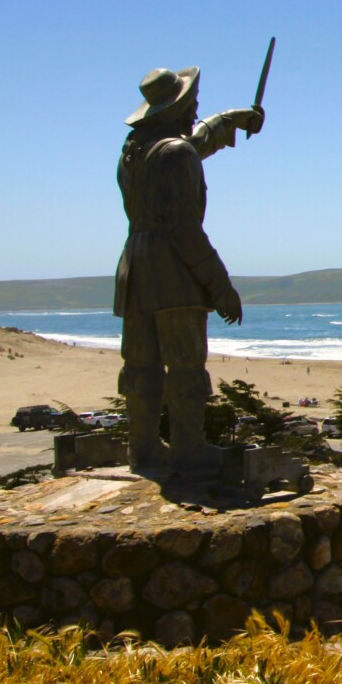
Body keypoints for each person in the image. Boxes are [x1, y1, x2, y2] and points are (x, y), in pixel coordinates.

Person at [114, 66, 264, 474]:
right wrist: (220, 286)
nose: (194, 112)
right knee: (185, 365)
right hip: (172, 272)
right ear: (174, 109)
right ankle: (188, 449)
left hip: (134, 268)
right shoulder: (175, 154)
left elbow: (194, 141)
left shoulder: (133, 151)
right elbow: (185, 230)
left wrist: (233, 119)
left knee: (140, 365)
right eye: (191, 106)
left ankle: (142, 449)